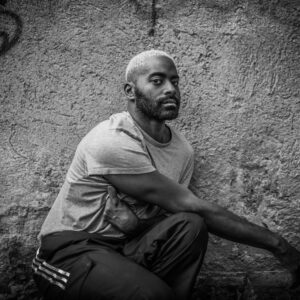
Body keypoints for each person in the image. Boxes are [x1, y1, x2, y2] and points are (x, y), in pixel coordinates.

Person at [32, 50, 300, 300]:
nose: (171, 89)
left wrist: (136, 227)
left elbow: (172, 215)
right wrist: (279, 245)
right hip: (70, 252)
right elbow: (193, 205)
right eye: (157, 81)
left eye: (175, 82)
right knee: (154, 294)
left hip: (127, 247)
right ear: (130, 91)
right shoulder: (111, 139)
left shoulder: (181, 151)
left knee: (191, 225)